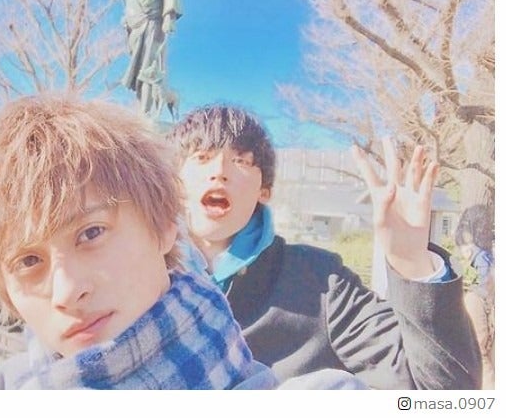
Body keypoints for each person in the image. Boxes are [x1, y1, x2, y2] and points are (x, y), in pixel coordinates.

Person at [0, 95, 365, 390]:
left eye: (91, 232)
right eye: (28, 261)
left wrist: (402, 262)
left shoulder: (319, 282)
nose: (66, 291)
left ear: (166, 226)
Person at [166, 104, 482, 390]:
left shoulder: (321, 283)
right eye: (202, 158)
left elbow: (445, 395)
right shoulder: (141, 275)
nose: (219, 172)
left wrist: (412, 262)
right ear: (175, 181)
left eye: (240, 160)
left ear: (265, 190)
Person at [121, 0, 182, 118]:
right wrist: (127, 18)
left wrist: (169, 15)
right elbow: (129, 1)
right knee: (139, 72)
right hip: (136, 27)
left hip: (153, 24)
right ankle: (141, 109)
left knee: (148, 69)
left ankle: (146, 112)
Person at [455, 205, 495, 389]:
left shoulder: (481, 257)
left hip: (482, 303)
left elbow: (485, 284)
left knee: (480, 355)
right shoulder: (487, 253)